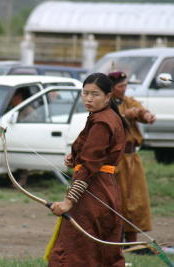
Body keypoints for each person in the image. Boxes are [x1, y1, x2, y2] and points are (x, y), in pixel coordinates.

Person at [46, 73, 128, 266]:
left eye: (95, 94)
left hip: (94, 191)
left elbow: (90, 164)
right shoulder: (102, 116)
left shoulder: (103, 122)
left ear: (108, 97)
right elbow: (91, 155)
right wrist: (75, 159)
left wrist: (68, 201)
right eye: (86, 93)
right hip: (103, 189)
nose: (89, 99)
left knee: (77, 252)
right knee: (95, 250)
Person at [108, 71, 156, 243]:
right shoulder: (106, 104)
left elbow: (140, 111)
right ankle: (116, 240)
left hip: (132, 159)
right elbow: (109, 123)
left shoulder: (128, 101)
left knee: (135, 199)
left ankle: (132, 241)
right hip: (116, 160)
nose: (124, 89)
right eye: (121, 86)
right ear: (112, 88)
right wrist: (124, 116)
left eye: (125, 86)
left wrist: (146, 115)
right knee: (118, 199)